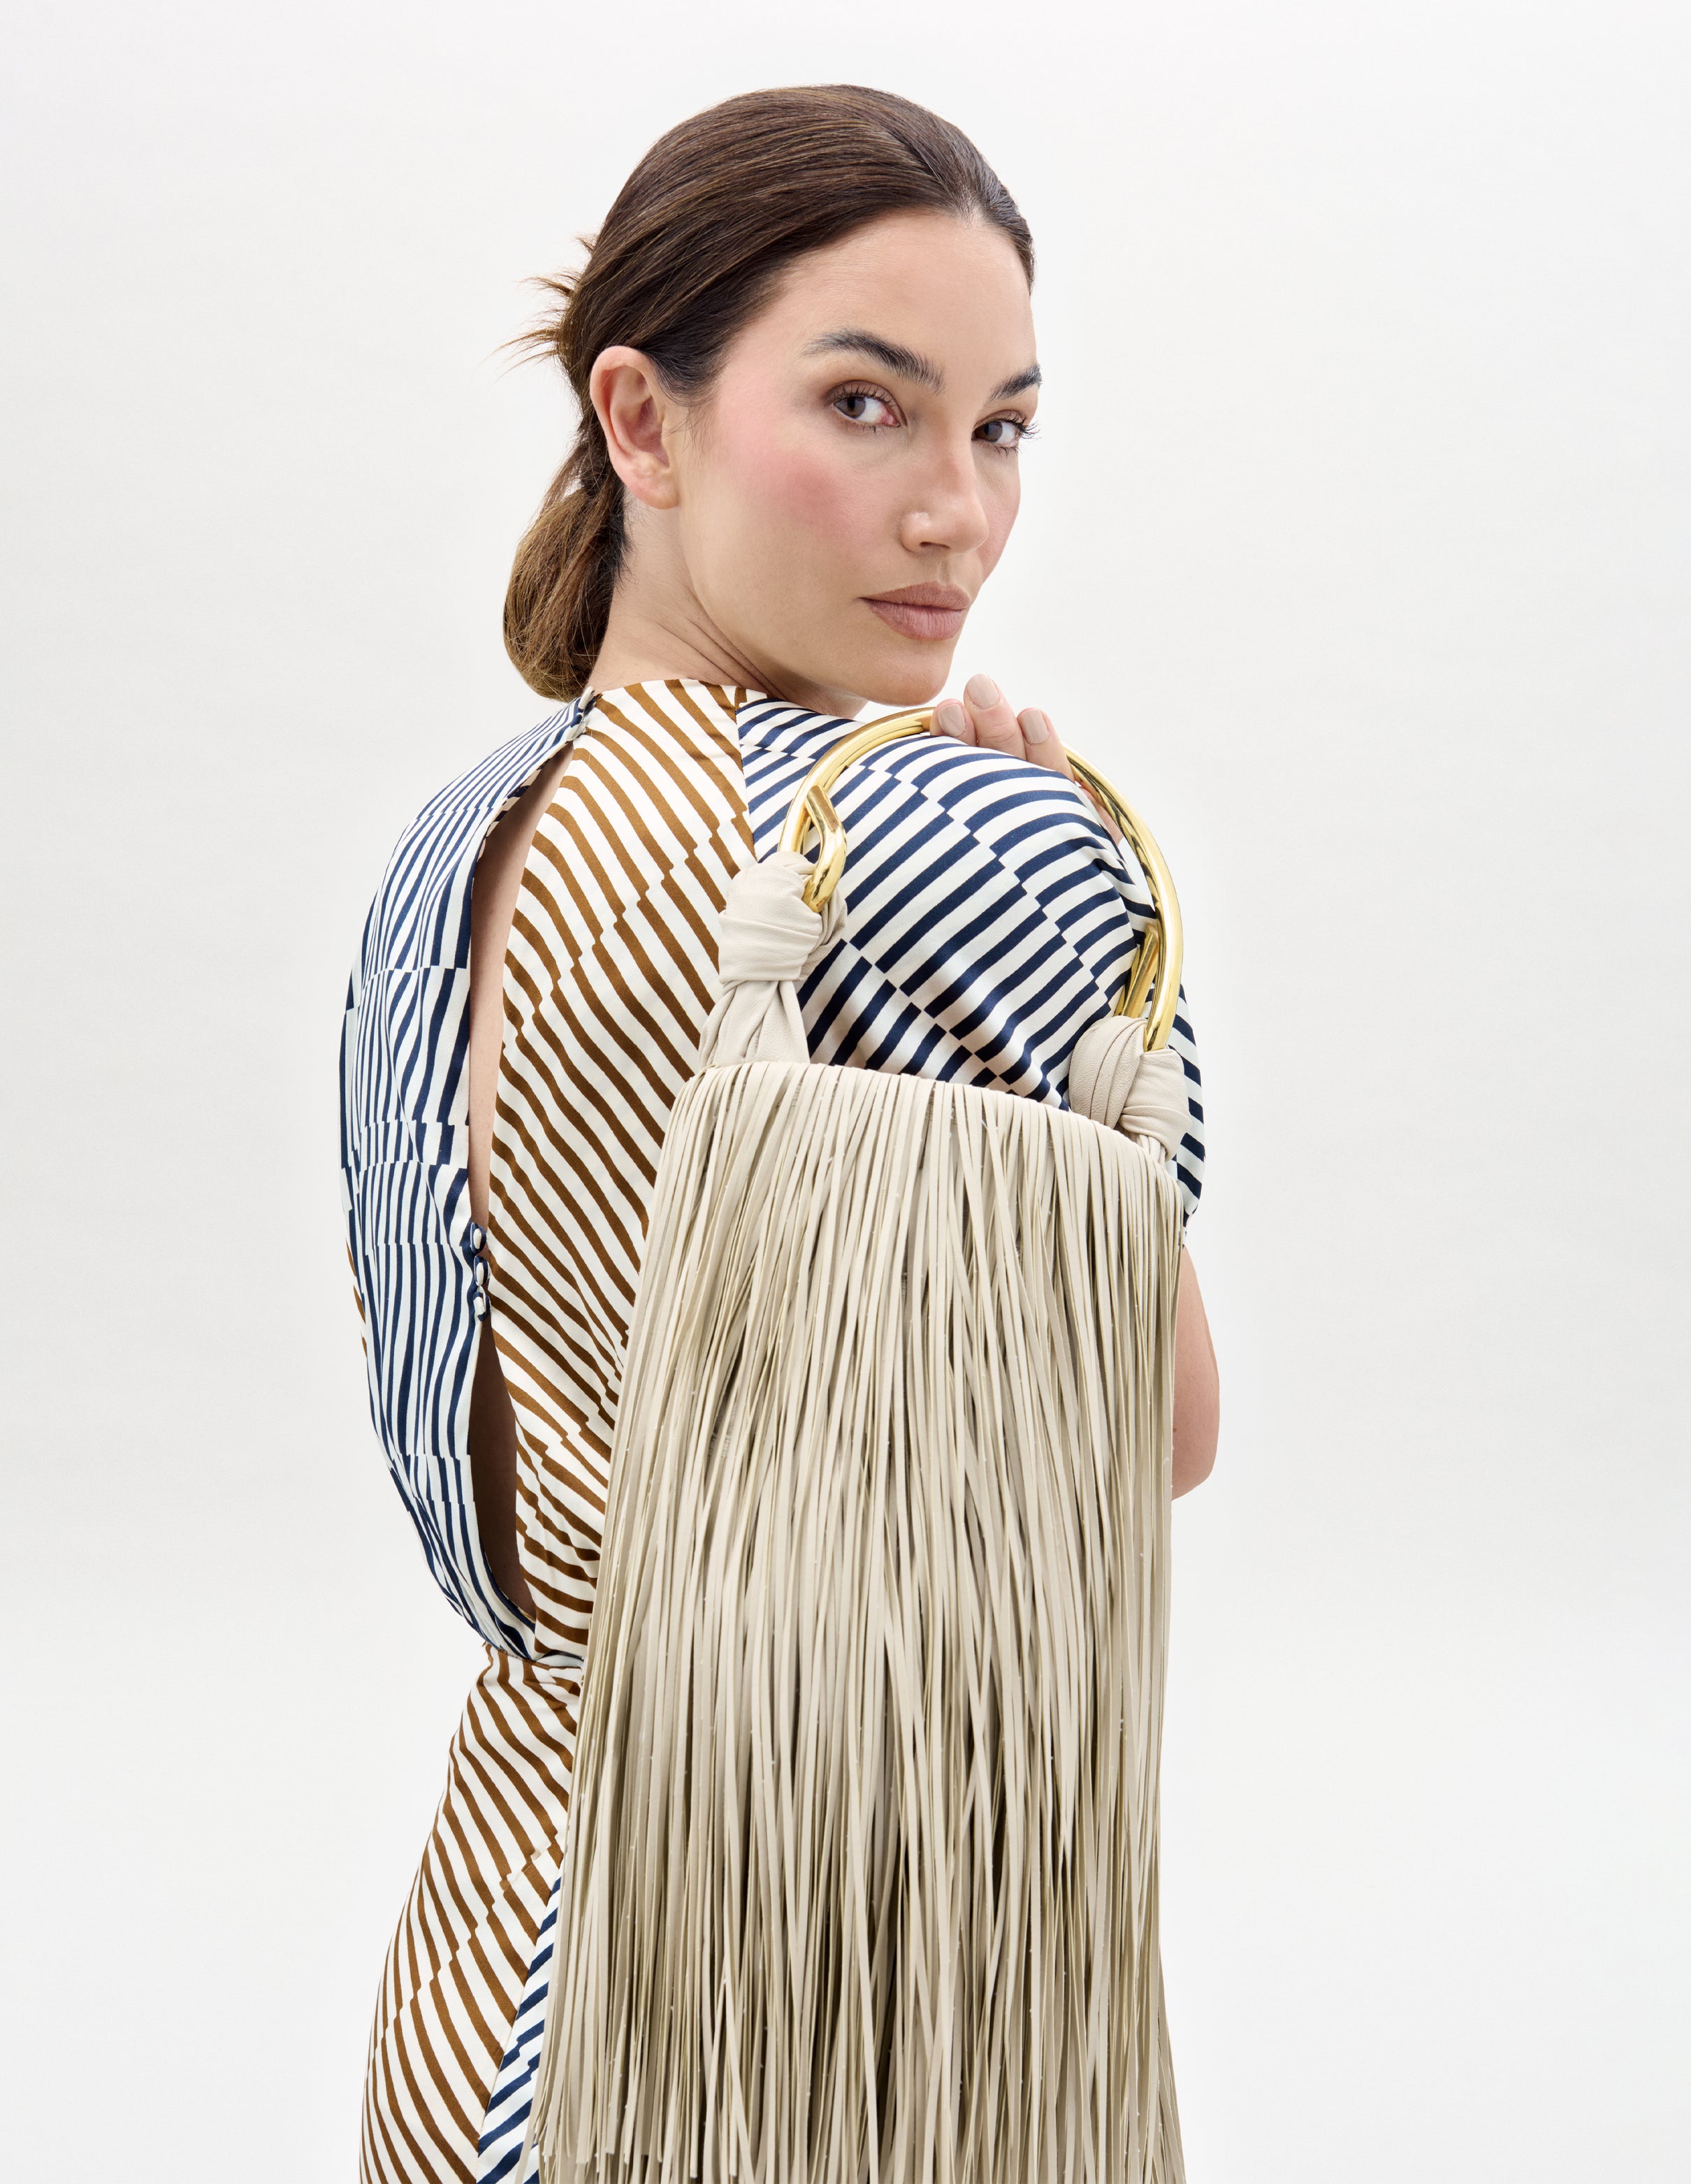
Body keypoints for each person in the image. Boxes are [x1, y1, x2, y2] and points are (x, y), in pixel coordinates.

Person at [339, 82, 1219, 2184]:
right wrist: (1070, 905)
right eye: (865, 406)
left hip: (499, 1972)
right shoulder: (939, 830)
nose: (956, 514)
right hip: (792, 2017)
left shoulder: (444, 855)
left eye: (1000, 427)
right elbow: (1157, 1421)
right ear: (638, 422)